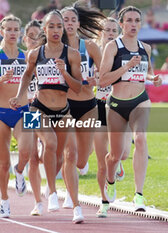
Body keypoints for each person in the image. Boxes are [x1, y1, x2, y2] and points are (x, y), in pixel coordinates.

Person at [9, 10, 83, 223]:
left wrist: (65, 73)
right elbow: (26, 76)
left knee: (62, 156)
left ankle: (76, 207)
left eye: (59, 26)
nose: (56, 30)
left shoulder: (72, 55)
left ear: (63, 29)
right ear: (45, 29)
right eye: (51, 26)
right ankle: (51, 193)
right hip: (37, 108)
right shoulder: (35, 54)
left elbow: (77, 88)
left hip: (63, 111)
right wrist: (19, 95)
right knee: (47, 144)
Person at [99, 6, 162, 212]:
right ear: (121, 23)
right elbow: (103, 81)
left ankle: (139, 195)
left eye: (137, 20)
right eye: (129, 20)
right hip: (117, 104)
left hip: (140, 100)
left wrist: (154, 78)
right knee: (116, 156)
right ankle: (110, 180)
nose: (133, 24)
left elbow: (148, 72)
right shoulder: (112, 47)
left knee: (141, 138)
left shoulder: (146, 48)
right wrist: (126, 67)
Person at [0, 15, 33, 218]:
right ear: (1, 32)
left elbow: (37, 84)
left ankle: (20, 171)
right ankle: (4, 200)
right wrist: (1, 79)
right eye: (8, 29)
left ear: (20, 32)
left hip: (25, 110)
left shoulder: (28, 56)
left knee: (27, 152)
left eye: (15, 29)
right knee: (3, 163)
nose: (12, 33)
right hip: (0, 112)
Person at [59, 2, 105, 210]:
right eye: (64, 20)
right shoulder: (53, 48)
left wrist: (98, 78)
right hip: (64, 105)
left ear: (78, 23)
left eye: (72, 19)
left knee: (81, 159)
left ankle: (80, 167)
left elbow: (105, 73)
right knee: (69, 154)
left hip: (88, 105)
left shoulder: (91, 47)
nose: (68, 23)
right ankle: (72, 196)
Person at [93, 17, 131, 218]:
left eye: (113, 30)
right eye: (106, 30)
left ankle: (117, 162)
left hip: (119, 105)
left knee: (122, 154)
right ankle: (104, 202)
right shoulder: (92, 53)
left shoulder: (123, 52)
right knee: (101, 161)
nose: (110, 33)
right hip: (99, 106)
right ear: (100, 33)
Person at [22, 20, 43, 216]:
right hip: (29, 111)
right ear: (25, 39)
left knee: (50, 154)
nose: (35, 40)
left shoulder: (47, 57)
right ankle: (38, 201)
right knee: (33, 158)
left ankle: (51, 187)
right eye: (31, 36)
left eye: (39, 36)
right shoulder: (20, 59)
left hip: (48, 109)